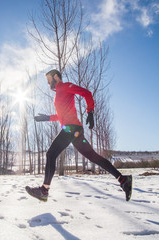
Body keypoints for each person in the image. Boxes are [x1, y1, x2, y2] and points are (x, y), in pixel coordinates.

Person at [25, 69, 132, 202]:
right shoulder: (58, 93)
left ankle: (44, 190)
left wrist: (90, 112)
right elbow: (61, 115)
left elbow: (86, 93)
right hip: (74, 129)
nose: (48, 83)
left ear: (56, 77)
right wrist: (47, 118)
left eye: (49, 80)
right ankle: (123, 179)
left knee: (50, 154)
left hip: (71, 128)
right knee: (93, 157)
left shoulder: (65, 86)